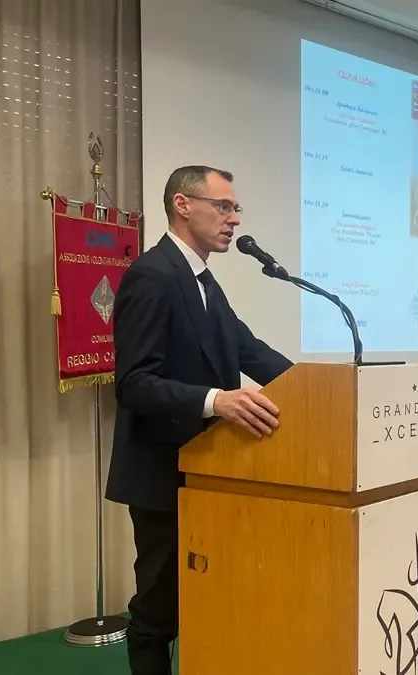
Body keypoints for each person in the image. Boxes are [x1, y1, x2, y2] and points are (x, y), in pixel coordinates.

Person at [106, 165, 294, 675]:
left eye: (236, 208)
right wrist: (217, 401)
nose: (234, 219)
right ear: (183, 205)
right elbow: (133, 383)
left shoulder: (203, 282)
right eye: (223, 206)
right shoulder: (152, 275)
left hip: (210, 471)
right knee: (158, 609)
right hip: (162, 474)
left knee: (208, 598)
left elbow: (249, 350)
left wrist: (322, 387)